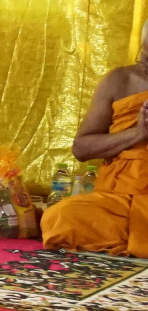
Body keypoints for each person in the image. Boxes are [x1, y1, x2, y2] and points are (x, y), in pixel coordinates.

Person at [43, 25, 148, 253]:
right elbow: (82, 148)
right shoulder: (119, 80)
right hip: (116, 200)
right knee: (60, 217)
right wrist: (137, 133)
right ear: (143, 45)